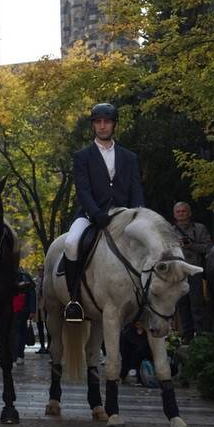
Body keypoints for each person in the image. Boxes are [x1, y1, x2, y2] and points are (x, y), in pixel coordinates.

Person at [62, 103, 145, 321]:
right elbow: (82, 190)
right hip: (91, 215)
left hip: (124, 215)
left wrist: (139, 215)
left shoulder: (129, 157)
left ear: (114, 125)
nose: (102, 126)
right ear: (93, 126)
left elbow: (136, 189)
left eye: (106, 122)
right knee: (71, 243)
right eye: (98, 122)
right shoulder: (82, 156)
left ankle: (147, 300)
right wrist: (95, 212)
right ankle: (74, 301)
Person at [172, 201, 211, 341]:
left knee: (197, 303)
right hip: (178, 273)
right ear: (174, 214)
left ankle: (200, 334)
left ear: (189, 213)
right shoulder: (170, 231)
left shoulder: (199, 229)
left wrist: (192, 246)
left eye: (184, 211)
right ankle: (186, 335)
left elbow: (208, 247)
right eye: (178, 212)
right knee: (182, 305)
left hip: (194, 270)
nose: (181, 214)